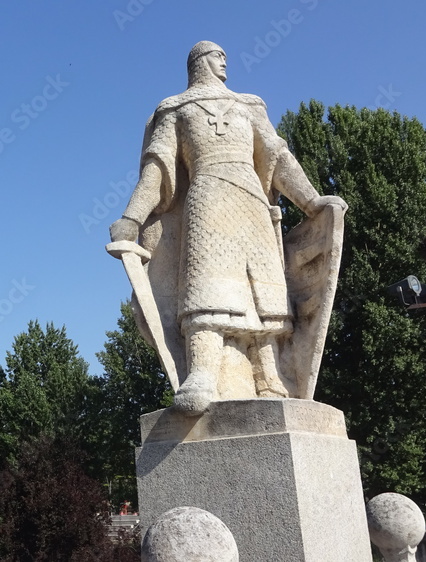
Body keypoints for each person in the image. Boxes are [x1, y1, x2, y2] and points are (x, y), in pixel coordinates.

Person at [109, 41, 346, 415]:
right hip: (207, 198)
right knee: (206, 283)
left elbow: (278, 157)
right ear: (200, 62)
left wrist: (312, 202)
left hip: (252, 200)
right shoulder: (175, 109)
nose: (225, 63)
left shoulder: (249, 105)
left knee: (265, 292)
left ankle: (270, 376)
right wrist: (132, 217)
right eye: (219, 57)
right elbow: (157, 169)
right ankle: (202, 373)